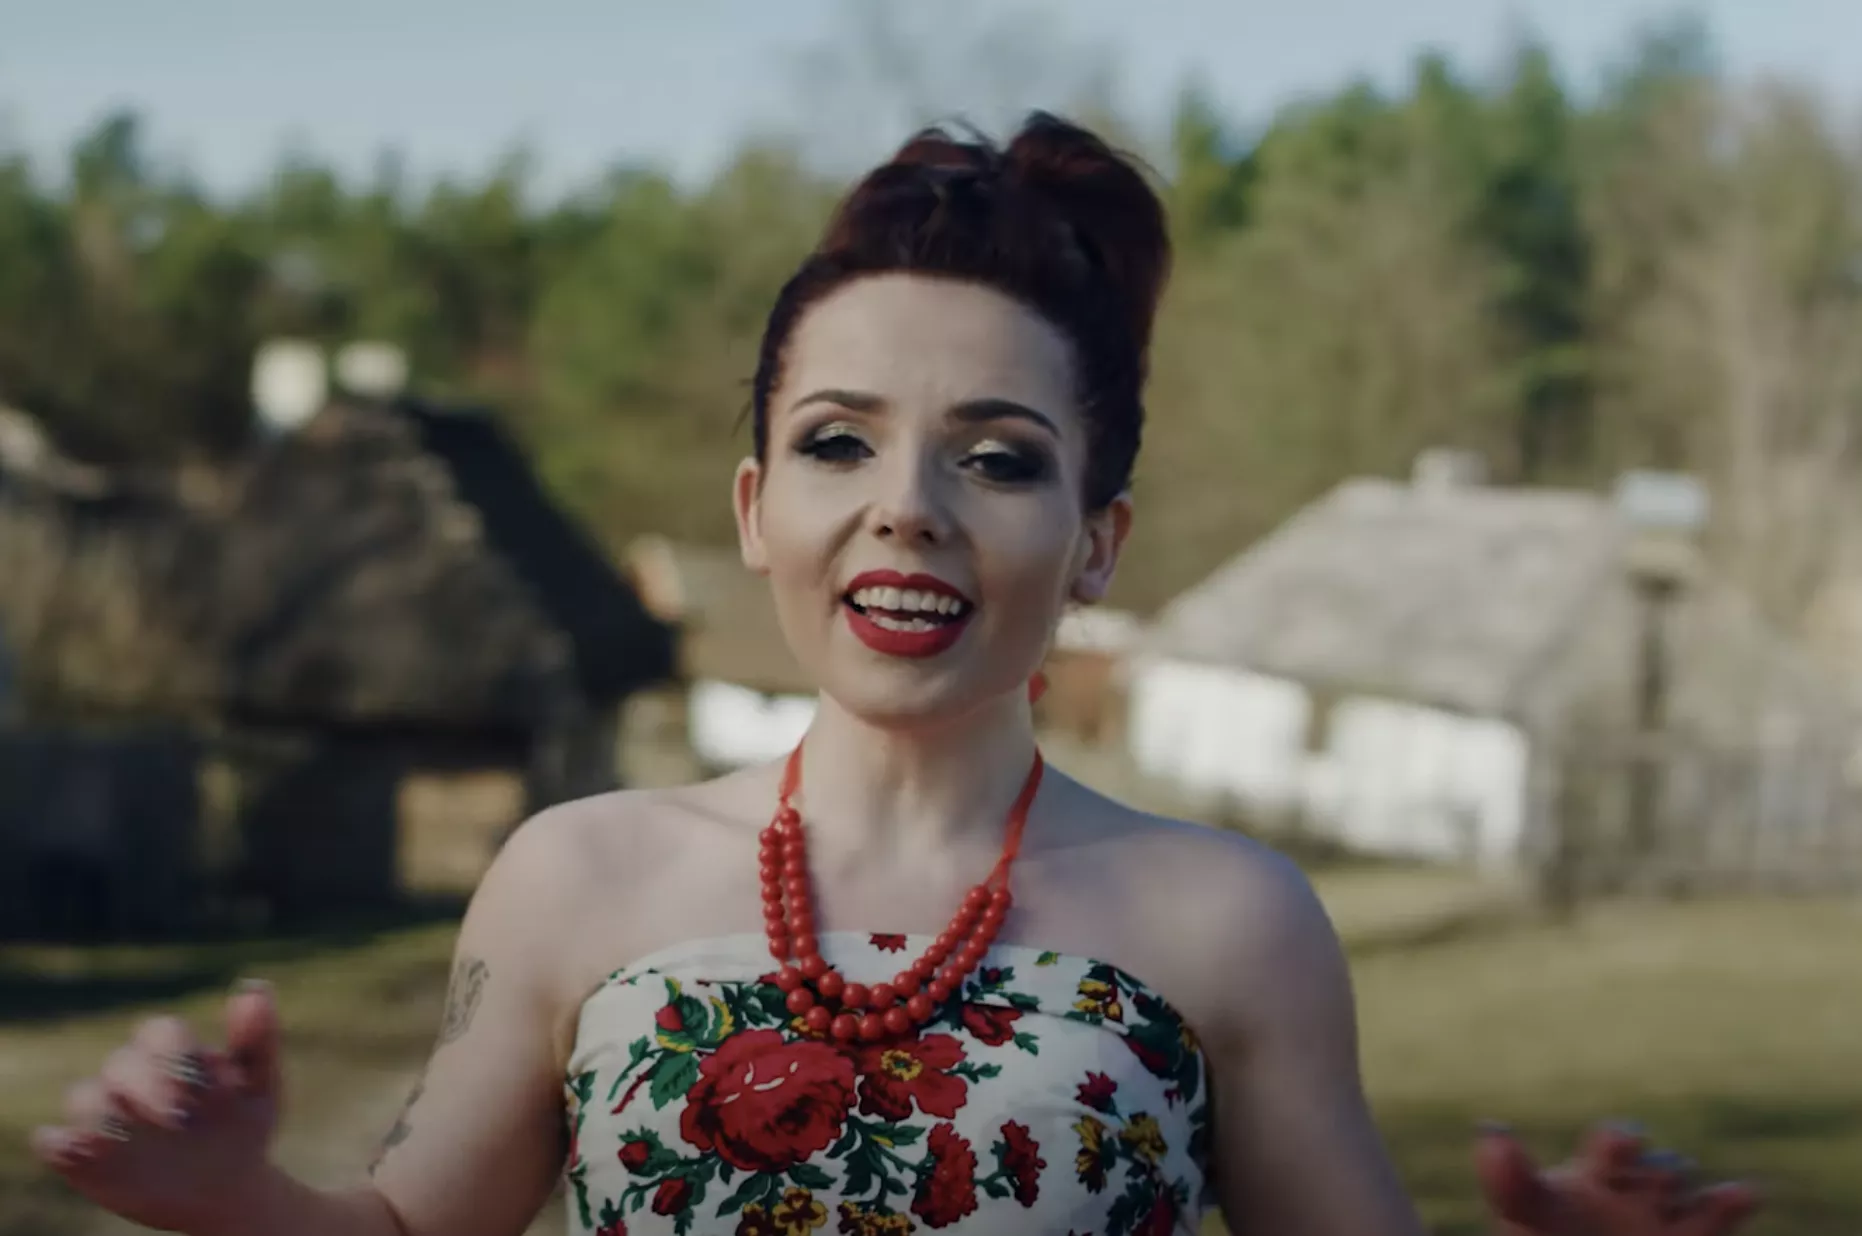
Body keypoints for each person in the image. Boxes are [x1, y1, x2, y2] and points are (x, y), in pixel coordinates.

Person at [31, 112, 1759, 1236]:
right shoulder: (575, 876)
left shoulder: (1233, 924)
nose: (907, 509)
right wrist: (234, 1195)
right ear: (755, 510)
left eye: (997, 459)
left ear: (1095, 542)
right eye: (837, 442)